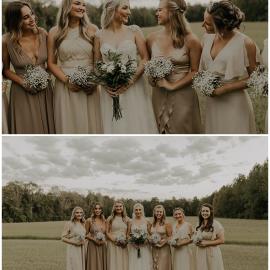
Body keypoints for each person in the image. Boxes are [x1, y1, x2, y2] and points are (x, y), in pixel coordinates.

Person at [94, 0, 158, 134]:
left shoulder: (134, 31)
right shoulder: (99, 35)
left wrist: (130, 80)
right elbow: (97, 64)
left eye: (129, 8)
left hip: (134, 89)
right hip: (111, 92)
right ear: (113, 10)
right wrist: (106, 85)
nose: (129, 12)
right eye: (125, 8)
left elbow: (145, 58)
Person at [200, 0, 258, 133]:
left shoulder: (246, 43)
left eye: (208, 23)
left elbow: (256, 78)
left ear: (222, 25)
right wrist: (204, 84)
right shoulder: (206, 39)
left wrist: (225, 89)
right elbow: (201, 70)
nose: (203, 25)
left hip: (235, 103)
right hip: (213, 103)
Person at [146, 0, 202, 134]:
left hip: (182, 97)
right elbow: (148, 67)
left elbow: (195, 72)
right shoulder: (151, 39)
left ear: (171, 12)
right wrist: (152, 78)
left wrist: (172, 86)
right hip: (158, 96)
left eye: (160, 10)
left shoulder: (191, 40)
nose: (156, 13)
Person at [48, 0, 102, 134]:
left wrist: (94, 81)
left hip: (90, 86)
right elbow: (51, 63)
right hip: (66, 87)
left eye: (84, 5)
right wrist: (67, 81)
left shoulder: (93, 29)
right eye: (78, 3)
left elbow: (98, 62)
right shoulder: (55, 32)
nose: (82, 8)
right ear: (67, 5)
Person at [2, 1, 55, 134]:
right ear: (15, 21)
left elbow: (51, 64)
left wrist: (44, 77)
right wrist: (23, 82)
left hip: (45, 91)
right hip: (22, 93)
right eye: (26, 17)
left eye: (31, 14)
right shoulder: (6, 41)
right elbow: (6, 70)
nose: (32, 19)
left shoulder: (44, 34)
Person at [194, 204, 225, 270]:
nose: (205, 213)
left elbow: (222, 240)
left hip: (212, 253)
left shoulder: (216, 224)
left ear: (210, 212)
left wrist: (206, 243)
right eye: (203, 211)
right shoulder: (198, 224)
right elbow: (195, 236)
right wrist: (196, 241)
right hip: (200, 252)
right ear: (200, 212)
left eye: (207, 211)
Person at [127, 203, 153, 270]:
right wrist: (132, 242)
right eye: (136, 210)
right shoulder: (130, 221)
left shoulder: (147, 221)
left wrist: (146, 240)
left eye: (139, 210)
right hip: (134, 247)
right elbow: (127, 234)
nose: (138, 211)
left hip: (145, 247)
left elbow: (150, 234)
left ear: (142, 210)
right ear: (134, 211)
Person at [106, 201, 129, 270]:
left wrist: (126, 242)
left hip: (123, 245)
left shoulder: (127, 219)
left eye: (120, 206)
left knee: (123, 262)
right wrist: (115, 240)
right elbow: (107, 232)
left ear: (123, 207)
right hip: (113, 243)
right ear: (114, 208)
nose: (118, 208)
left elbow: (128, 233)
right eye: (117, 206)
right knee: (113, 262)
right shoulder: (110, 218)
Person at [85, 203, 107, 270]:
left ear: (101, 210)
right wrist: (93, 239)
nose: (97, 210)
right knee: (93, 264)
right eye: (96, 208)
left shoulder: (104, 221)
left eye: (99, 208)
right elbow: (85, 234)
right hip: (92, 245)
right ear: (93, 210)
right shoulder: (89, 220)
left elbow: (106, 233)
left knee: (102, 263)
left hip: (102, 246)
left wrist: (104, 240)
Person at [150, 205, 172, 270]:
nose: (158, 213)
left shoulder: (167, 224)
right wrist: (151, 241)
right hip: (154, 249)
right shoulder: (152, 224)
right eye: (157, 212)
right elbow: (150, 235)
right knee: (155, 266)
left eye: (160, 212)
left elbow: (170, 237)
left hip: (164, 249)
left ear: (163, 213)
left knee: (163, 267)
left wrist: (162, 244)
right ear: (154, 212)